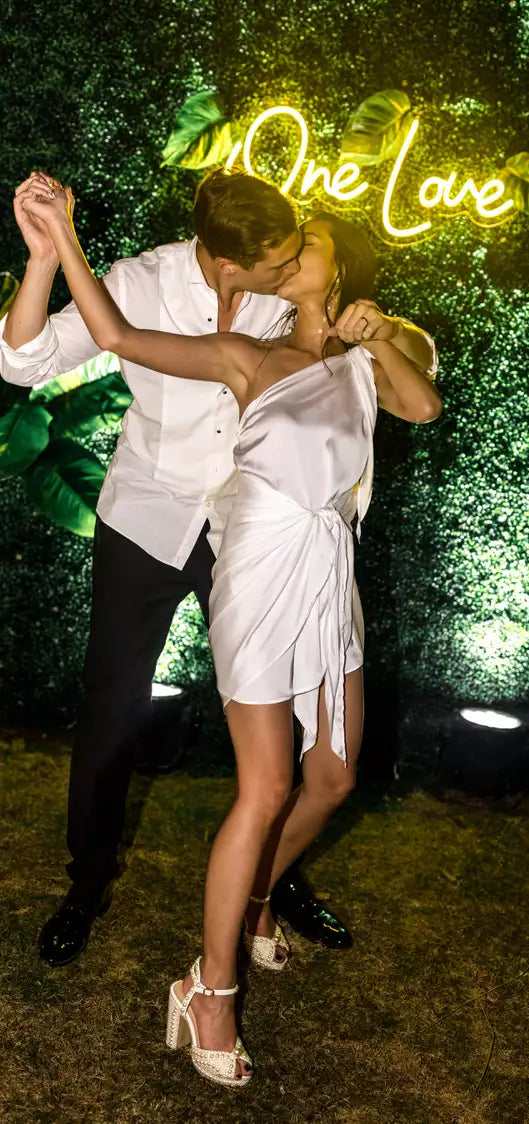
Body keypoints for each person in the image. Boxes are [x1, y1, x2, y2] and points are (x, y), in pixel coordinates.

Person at [22, 180, 442, 1086]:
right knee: (238, 768)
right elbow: (118, 339)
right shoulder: (241, 348)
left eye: (306, 249)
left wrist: (371, 336)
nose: (289, 259)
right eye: (283, 252)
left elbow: (422, 404)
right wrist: (61, 243)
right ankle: (170, 957)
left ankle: (257, 901)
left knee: (331, 776)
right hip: (220, 549)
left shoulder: (360, 340)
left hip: (323, 573)